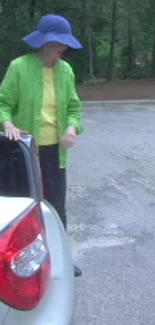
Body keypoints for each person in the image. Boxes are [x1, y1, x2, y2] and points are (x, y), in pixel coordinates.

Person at [0, 14, 83, 277]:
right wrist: (7, 123)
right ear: (46, 42)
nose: (63, 48)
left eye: (65, 44)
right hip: (23, 152)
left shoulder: (66, 70)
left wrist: (72, 127)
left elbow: (73, 106)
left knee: (56, 207)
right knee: (25, 208)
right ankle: (21, 266)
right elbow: (3, 103)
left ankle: (61, 259)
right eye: (59, 43)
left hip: (54, 153)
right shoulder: (19, 67)